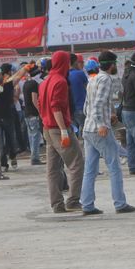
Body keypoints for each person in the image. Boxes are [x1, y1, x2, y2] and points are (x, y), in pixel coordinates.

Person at [81, 51, 135, 215]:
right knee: (114, 167)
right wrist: (101, 123)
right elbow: (99, 104)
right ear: (112, 65)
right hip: (99, 130)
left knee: (90, 169)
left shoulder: (92, 79)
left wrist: (103, 118)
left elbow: (87, 107)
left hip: (88, 128)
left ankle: (87, 204)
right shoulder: (106, 79)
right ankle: (120, 203)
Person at [38, 51, 84, 214]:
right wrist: (64, 130)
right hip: (59, 128)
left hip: (47, 128)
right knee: (77, 163)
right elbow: (56, 107)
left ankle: (56, 203)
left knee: (53, 168)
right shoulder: (60, 81)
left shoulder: (44, 82)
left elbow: (40, 105)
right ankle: (73, 200)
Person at [22, 65, 44, 165]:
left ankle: (33, 156)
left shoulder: (26, 83)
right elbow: (34, 99)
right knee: (35, 136)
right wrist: (40, 112)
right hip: (33, 113)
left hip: (27, 112)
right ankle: (35, 158)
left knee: (31, 136)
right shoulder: (34, 84)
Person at [68, 54, 89, 133]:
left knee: (74, 131)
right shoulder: (80, 73)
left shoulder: (64, 75)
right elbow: (88, 88)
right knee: (86, 131)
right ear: (75, 62)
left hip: (70, 109)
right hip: (81, 107)